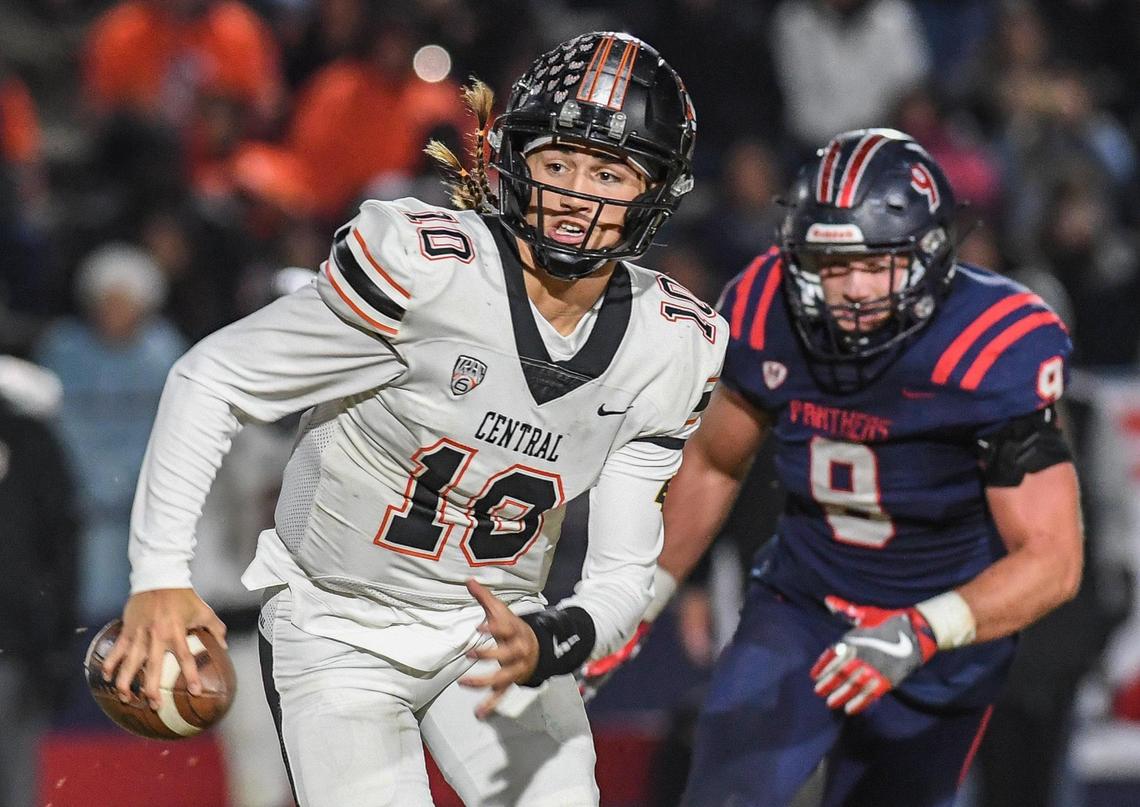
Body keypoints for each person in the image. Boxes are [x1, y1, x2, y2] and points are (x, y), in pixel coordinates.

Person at [101, 31, 722, 807]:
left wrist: (556, 638)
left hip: (495, 626)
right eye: (557, 162)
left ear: (657, 190)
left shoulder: (671, 342)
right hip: (338, 621)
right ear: (512, 157)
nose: (576, 193)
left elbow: (623, 568)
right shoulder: (424, 268)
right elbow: (211, 376)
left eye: (608, 171)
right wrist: (159, 572)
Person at [585, 128, 1084, 807]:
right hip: (805, 605)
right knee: (726, 795)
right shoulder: (767, 303)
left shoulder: (995, 345)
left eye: (875, 263)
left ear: (930, 254)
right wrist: (637, 600)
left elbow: (1053, 559)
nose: (851, 289)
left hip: (941, 631)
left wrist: (923, 627)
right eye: (830, 262)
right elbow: (713, 462)